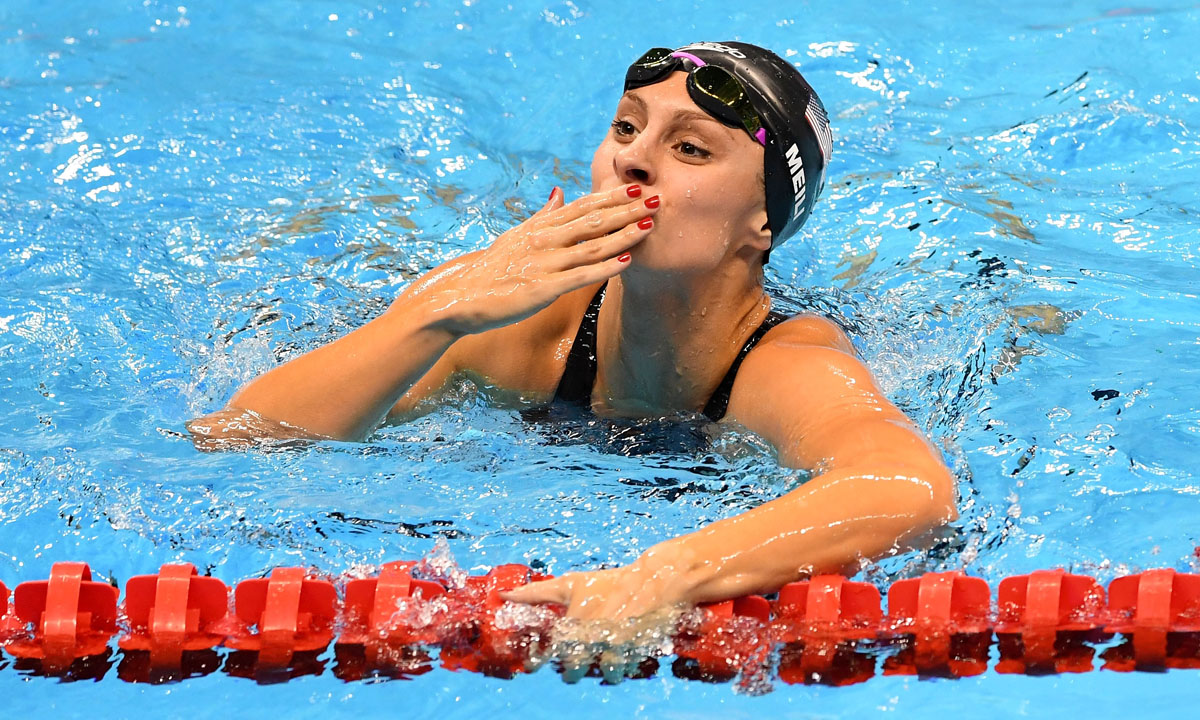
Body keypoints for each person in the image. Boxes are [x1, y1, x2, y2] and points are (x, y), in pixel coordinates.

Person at [188, 42, 957, 622]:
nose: (633, 159)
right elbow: (236, 439)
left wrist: (673, 573)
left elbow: (913, 489)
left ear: (763, 222)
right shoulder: (519, 320)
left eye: (688, 147)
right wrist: (436, 313)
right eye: (626, 128)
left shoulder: (784, 364)